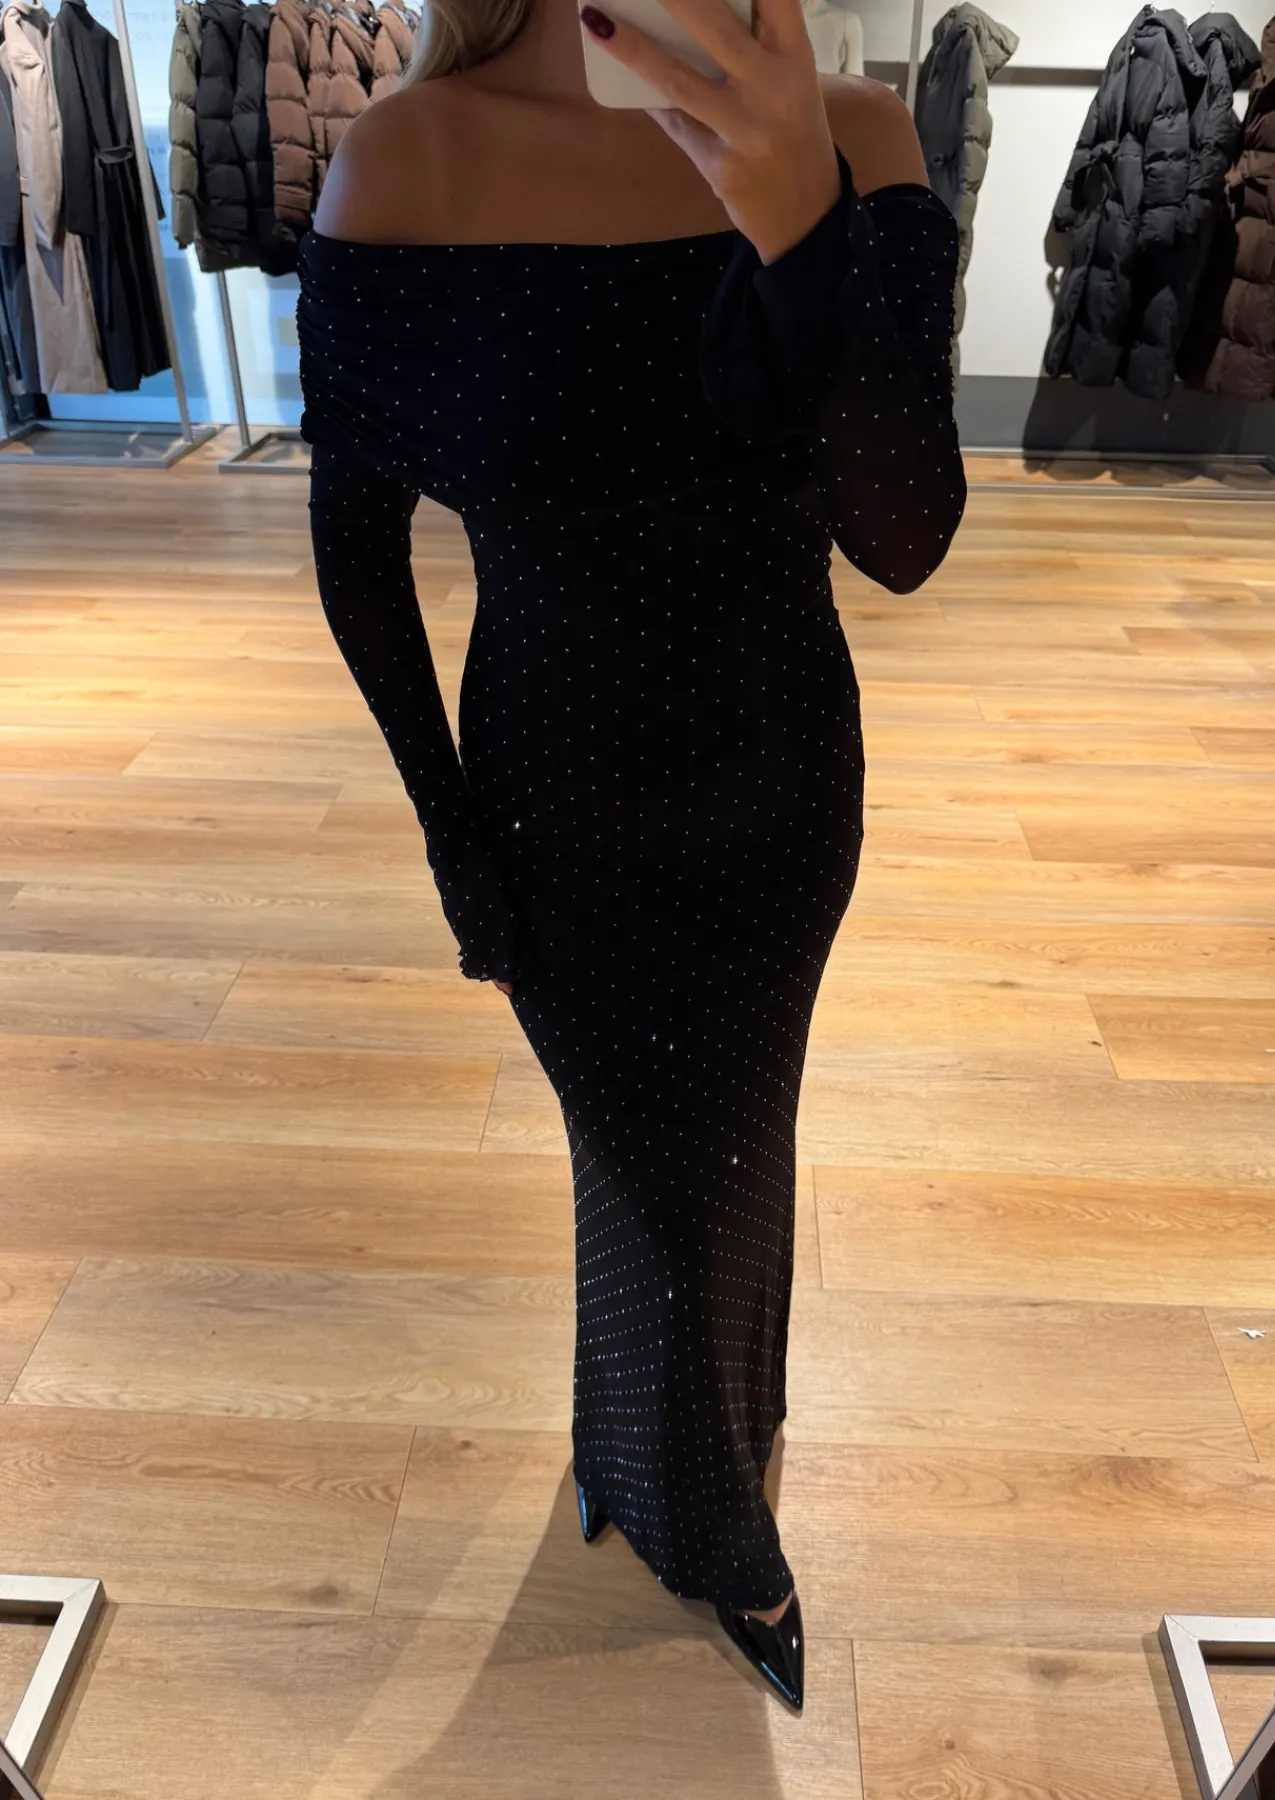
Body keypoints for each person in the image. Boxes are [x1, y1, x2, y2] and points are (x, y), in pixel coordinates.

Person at [297, 0, 966, 1713]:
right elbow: (356, 548)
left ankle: (673, 1456)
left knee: (731, 1150)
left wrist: (800, 223)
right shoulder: (407, 161)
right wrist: (448, 835)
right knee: (658, 1173)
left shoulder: (856, 138)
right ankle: (705, 1511)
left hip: (779, 791)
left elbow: (905, 535)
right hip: (554, 803)